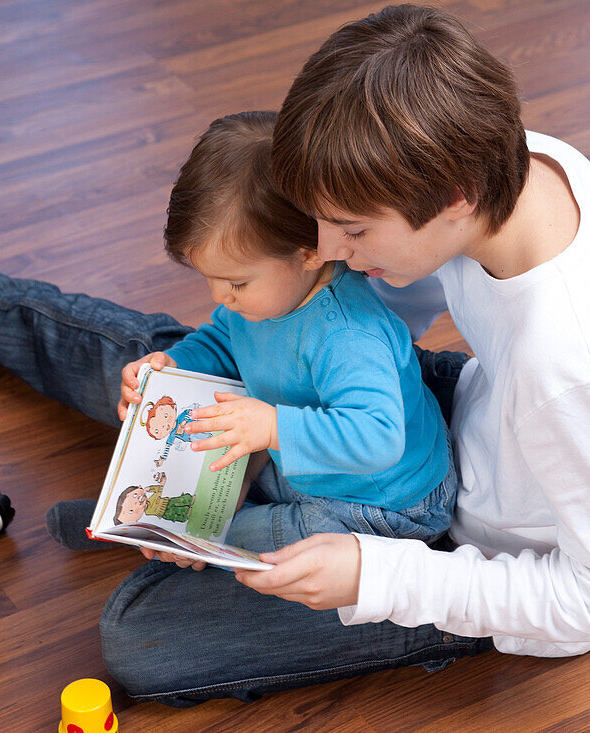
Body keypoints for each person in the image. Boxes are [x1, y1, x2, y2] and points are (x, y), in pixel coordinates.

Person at [0, 3, 590, 708]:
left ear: (455, 195)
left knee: (142, 639)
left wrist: (380, 574)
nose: (325, 245)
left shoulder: (576, 372)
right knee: (177, 358)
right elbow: (380, 302)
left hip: (460, 549)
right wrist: (262, 330)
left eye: (352, 229)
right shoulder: (527, 164)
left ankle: (191, 521)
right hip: (449, 414)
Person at [114, 110, 456, 553]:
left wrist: (273, 426)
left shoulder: (347, 337)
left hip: (385, 506)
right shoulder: (263, 298)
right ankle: (132, 523)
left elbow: (378, 437)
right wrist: (172, 365)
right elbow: (222, 340)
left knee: (215, 536)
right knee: (202, 485)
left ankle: (154, 534)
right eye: (209, 279)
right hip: (311, 464)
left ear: (311, 251)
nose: (221, 297)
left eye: (236, 282)